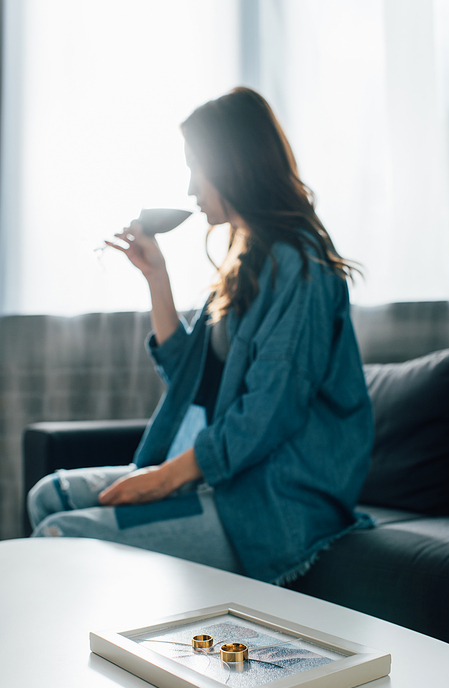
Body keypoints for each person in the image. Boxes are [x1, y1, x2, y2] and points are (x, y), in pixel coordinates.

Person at [28, 87, 374, 584]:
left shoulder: (303, 270)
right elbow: (192, 378)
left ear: (234, 164)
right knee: (48, 496)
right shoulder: (249, 258)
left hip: (271, 497)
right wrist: (156, 278)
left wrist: (162, 479)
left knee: (61, 533)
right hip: (226, 477)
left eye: (198, 168)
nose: (191, 188)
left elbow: (268, 413)